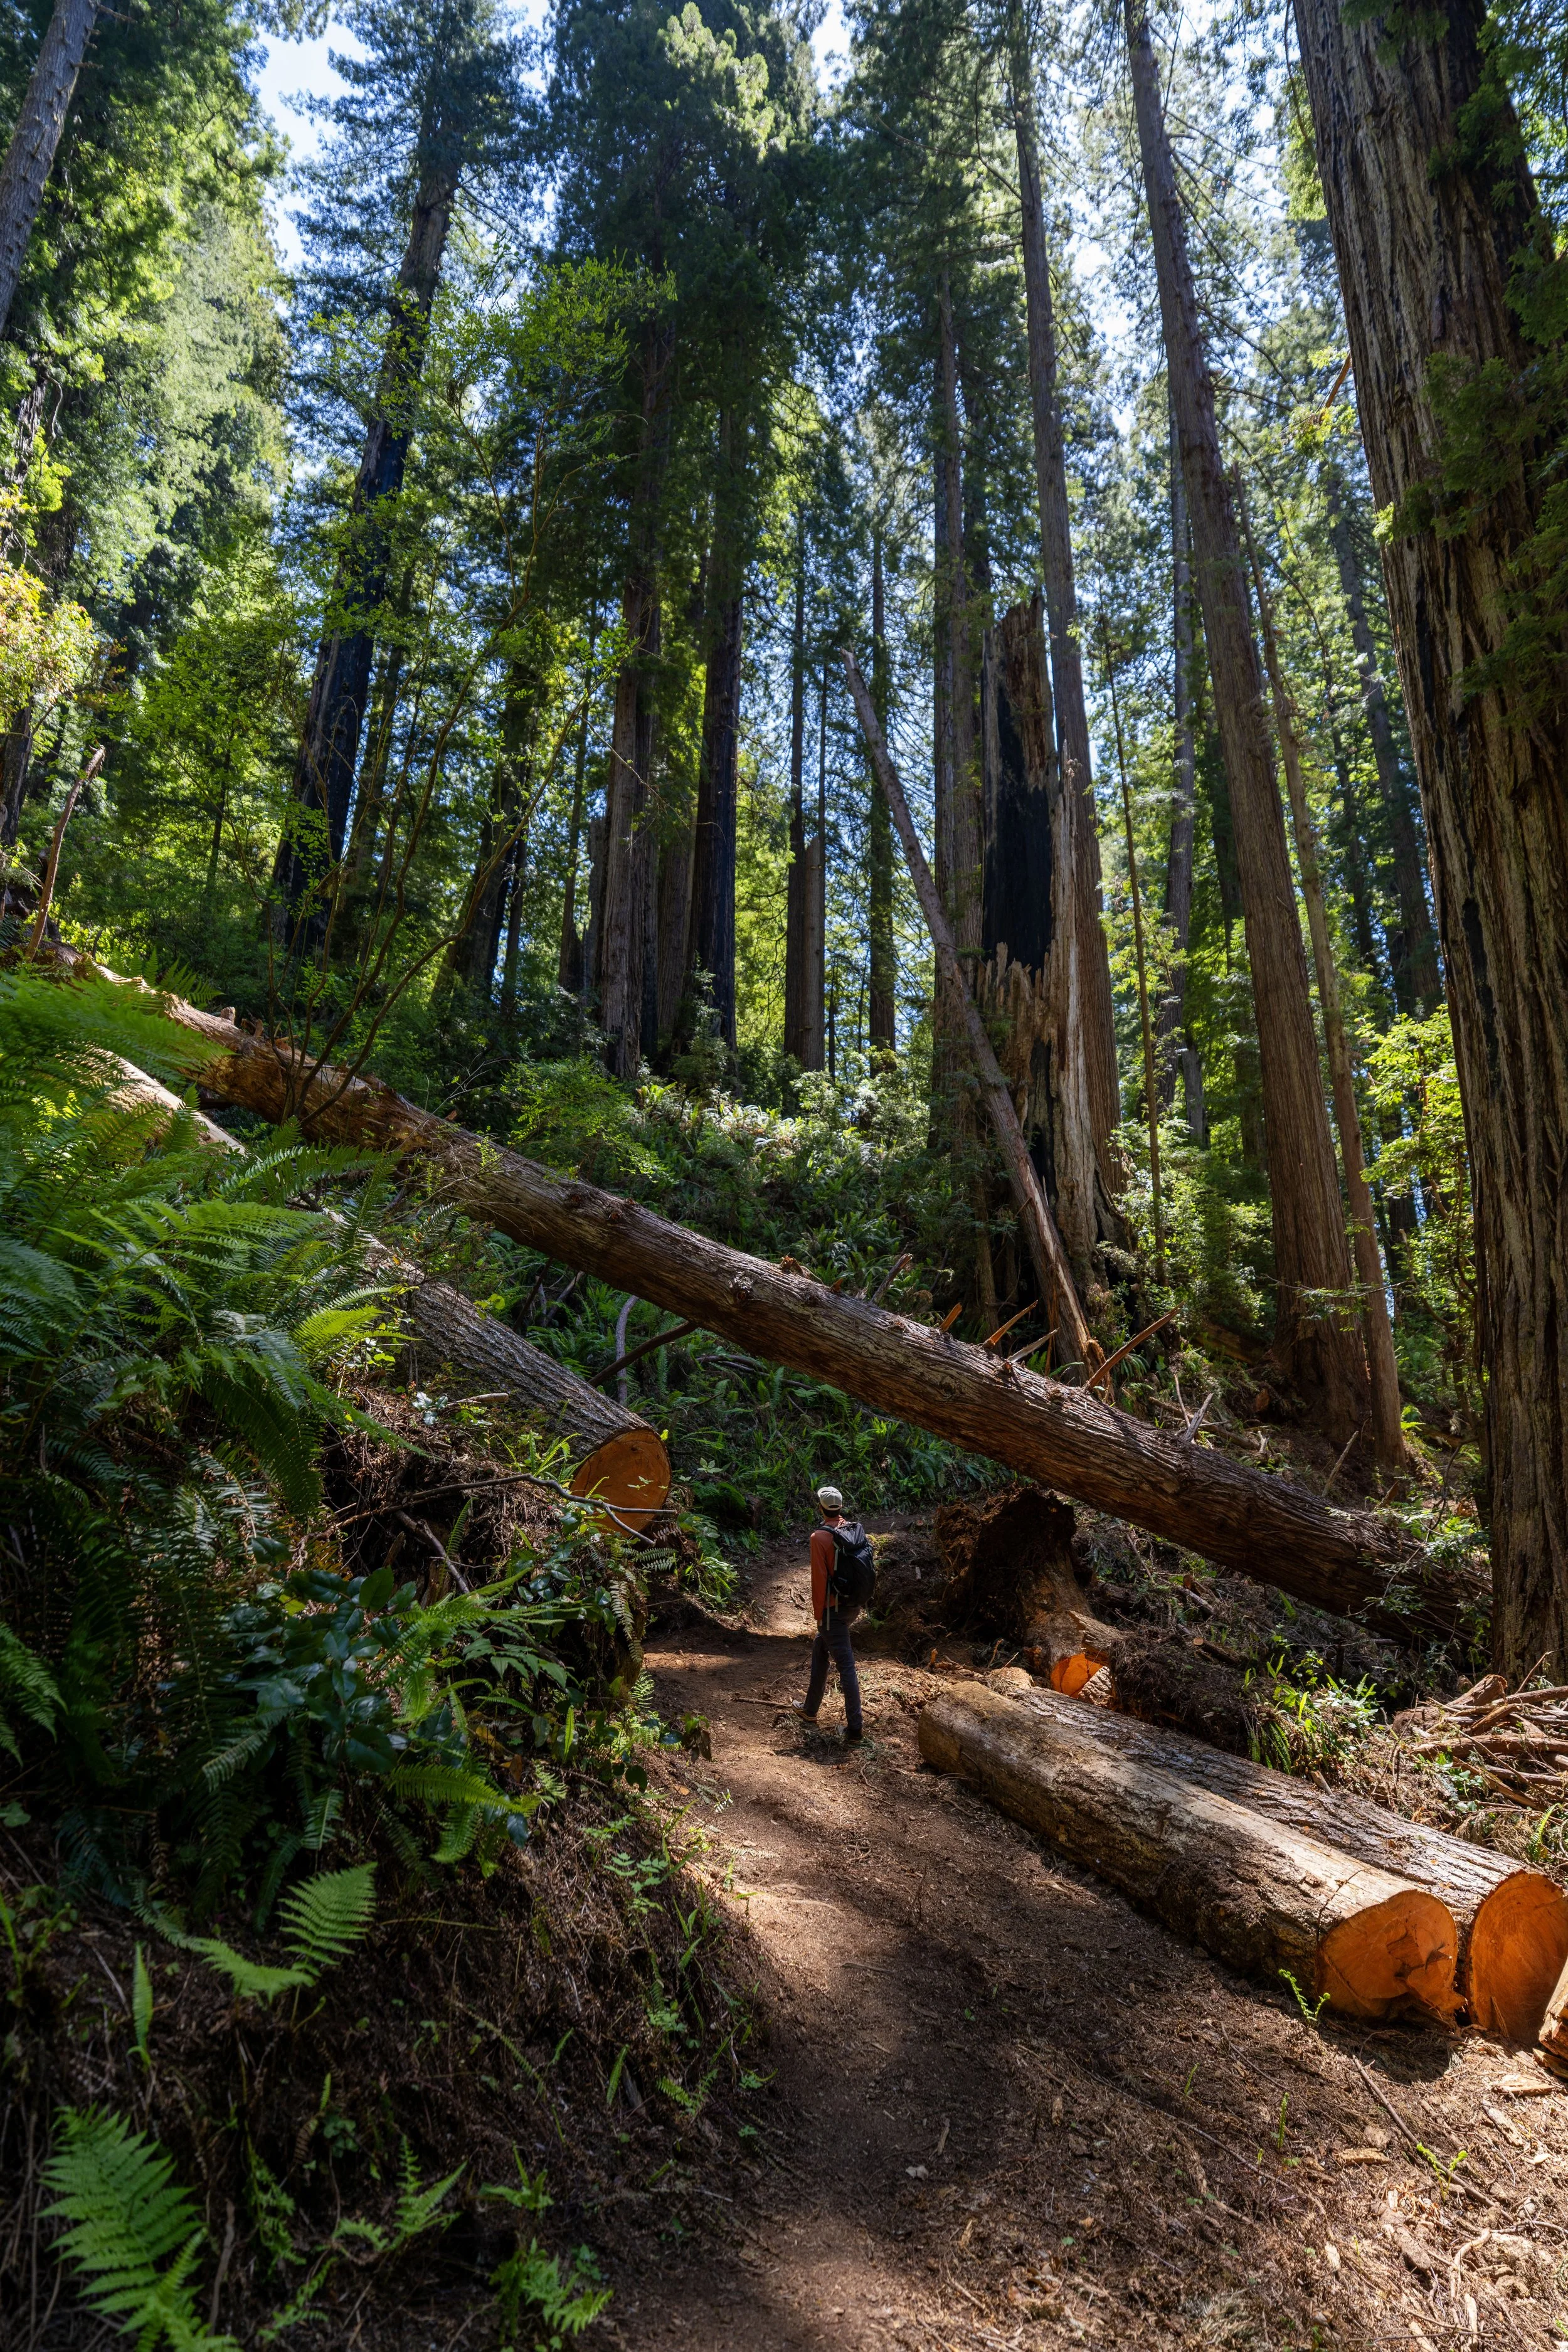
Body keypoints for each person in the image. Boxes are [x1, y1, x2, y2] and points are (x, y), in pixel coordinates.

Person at [796, 1484, 864, 1745]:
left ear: (820, 1507)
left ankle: (855, 1730)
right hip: (852, 1606)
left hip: (832, 1610)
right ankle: (810, 1710)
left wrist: (819, 1615)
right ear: (841, 1508)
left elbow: (819, 1580)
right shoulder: (853, 1529)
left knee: (846, 1665)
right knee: (820, 1646)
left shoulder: (819, 1538)